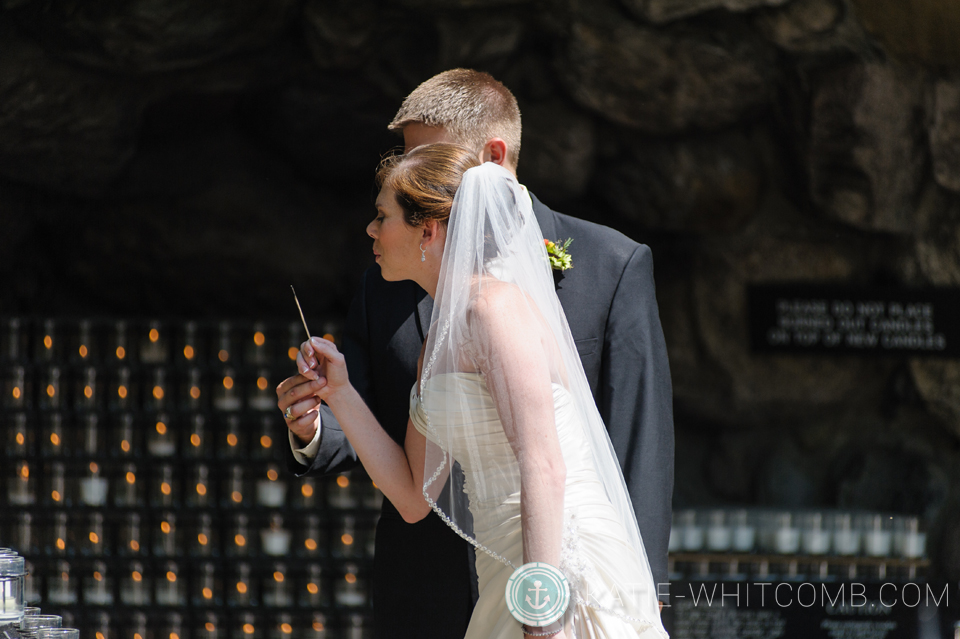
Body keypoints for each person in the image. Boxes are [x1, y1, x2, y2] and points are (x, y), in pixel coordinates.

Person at [277, 69, 674, 638]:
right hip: (492, 582)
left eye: (383, 216)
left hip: (560, 570)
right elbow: (415, 497)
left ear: (429, 230)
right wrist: (338, 392)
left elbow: (544, 463)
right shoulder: (437, 338)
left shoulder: (493, 309)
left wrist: (543, 609)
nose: (369, 229)